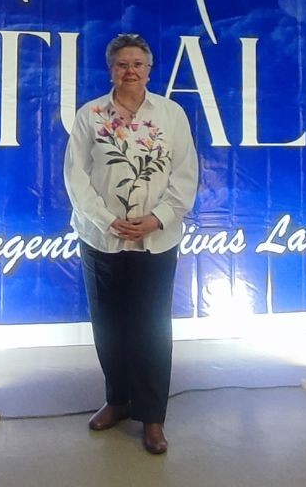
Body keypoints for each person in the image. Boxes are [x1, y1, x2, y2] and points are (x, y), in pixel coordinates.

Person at [63, 33, 199, 455]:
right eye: (122, 64)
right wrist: (107, 220)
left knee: (152, 329)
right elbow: (76, 177)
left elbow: (185, 174)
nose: (130, 71)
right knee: (110, 327)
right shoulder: (90, 115)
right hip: (101, 237)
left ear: (149, 70)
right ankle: (118, 401)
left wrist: (157, 219)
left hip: (156, 240)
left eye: (138, 64)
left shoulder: (171, 115)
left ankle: (153, 418)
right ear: (111, 70)